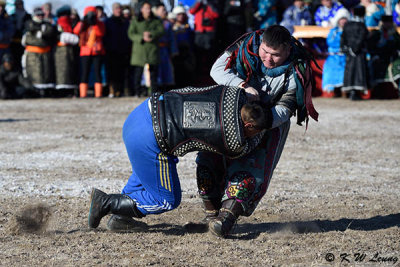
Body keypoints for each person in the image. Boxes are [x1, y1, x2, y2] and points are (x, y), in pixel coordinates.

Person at [88, 85, 270, 231]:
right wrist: (263, 134)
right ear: (248, 125)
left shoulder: (234, 92)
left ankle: (122, 217)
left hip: (142, 112)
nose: (254, 136)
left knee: (147, 179)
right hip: (150, 139)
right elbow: (246, 149)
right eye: (255, 132)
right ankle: (106, 203)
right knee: (166, 199)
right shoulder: (234, 139)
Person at [195, 25, 319, 238]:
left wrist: (258, 120)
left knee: (251, 170)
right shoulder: (246, 46)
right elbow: (217, 70)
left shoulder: (298, 69)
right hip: (229, 116)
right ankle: (211, 213)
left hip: (268, 125)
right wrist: (243, 85)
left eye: (275, 55)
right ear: (260, 44)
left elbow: (285, 109)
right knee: (208, 160)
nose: (268, 59)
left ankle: (226, 218)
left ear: (288, 50)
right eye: (265, 52)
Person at [127, 1, 164, 96]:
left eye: (149, 8)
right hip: (139, 50)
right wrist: (141, 37)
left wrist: (151, 34)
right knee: (138, 73)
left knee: (153, 74)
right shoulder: (136, 20)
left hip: (152, 50)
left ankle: (153, 92)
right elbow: (131, 33)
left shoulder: (156, 20)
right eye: (146, 8)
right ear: (141, 9)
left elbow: (161, 31)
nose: (148, 10)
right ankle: (137, 92)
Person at [22, 7, 57, 96]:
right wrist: (40, 32)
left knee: (46, 73)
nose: (40, 16)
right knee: (34, 73)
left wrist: (41, 33)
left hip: (45, 53)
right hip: (33, 54)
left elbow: (50, 32)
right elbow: (30, 31)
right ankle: (34, 91)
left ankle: (46, 91)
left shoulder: (47, 24)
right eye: (38, 15)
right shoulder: (29, 23)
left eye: (42, 15)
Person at [73, 6, 106, 98]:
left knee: (97, 72)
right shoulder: (83, 24)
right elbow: (76, 31)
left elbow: (101, 33)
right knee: (84, 72)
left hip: (97, 51)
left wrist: (94, 23)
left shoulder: (99, 23)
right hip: (85, 51)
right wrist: (83, 22)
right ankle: (83, 94)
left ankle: (98, 94)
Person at [340, 5, 369, 100]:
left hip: (349, 52)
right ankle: (355, 93)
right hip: (358, 53)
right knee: (358, 72)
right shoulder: (362, 25)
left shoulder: (347, 24)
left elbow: (343, 38)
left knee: (350, 71)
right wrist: (355, 49)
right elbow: (362, 38)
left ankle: (351, 92)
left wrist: (347, 49)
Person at [189, 0, 219, 86]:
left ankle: (210, 78)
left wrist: (208, 3)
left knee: (210, 55)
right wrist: (199, 2)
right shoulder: (198, 4)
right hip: (199, 32)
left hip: (209, 33)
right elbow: (191, 11)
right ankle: (197, 77)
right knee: (198, 55)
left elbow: (216, 14)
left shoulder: (212, 4)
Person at [104, 2, 131, 97]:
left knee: (122, 73)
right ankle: (112, 90)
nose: (118, 10)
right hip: (111, 52)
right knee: (111, 73)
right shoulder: (108, 22)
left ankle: (120, 90)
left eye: (119, 8)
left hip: (123, 52)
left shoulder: (125, 22)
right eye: (116, 9)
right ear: (113, 10)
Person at [321, 8, 350, 97]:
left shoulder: (350, 30)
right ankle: (335, 90)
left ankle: (345, 90)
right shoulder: (333, 31)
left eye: (345, 19)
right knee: (330, 66)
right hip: (334, 56)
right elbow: (330, 42)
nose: (343, 21)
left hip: (346, 55)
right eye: (341, 19)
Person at [54, 5, 79, 96]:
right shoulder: (63, 23)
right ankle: (64, 90)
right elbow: (63, 36)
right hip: (63, 50)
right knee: (64, 70)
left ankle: (67, 89)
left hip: (67, 50)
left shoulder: (66, 22)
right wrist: (76, 39)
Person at [155, 3, 178, 92]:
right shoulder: (153, 23)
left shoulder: (167, 24)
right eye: (162, 10)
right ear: (157, 11)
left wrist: (173, 51)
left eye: (165, 10)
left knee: (166, 70)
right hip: (155, 50)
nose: (165, 12)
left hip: (164, 50)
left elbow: (172, 39)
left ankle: (165, 89)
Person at [9, 0, 31, 70]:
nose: (19, 6)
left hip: (24, 43)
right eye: (17, 5)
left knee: (24, 63)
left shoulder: (28, 16)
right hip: (13, 43)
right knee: (13, 61)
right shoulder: (11, 16)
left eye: (20, 4)